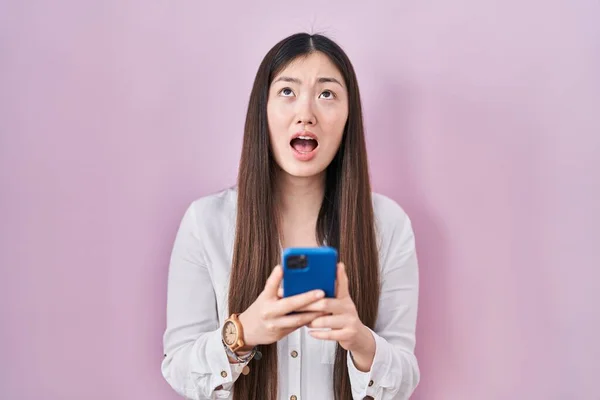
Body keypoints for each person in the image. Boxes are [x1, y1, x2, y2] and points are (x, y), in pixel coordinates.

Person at [161, 32, 420, 400]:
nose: (306, 113)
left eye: (326, 94)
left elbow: (405, 376)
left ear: (349, 116)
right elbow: (179, 369)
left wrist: (358, 338)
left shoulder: (389, 226)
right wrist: (243, 331)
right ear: (262, 110)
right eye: (287, 91)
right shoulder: (206, 223)